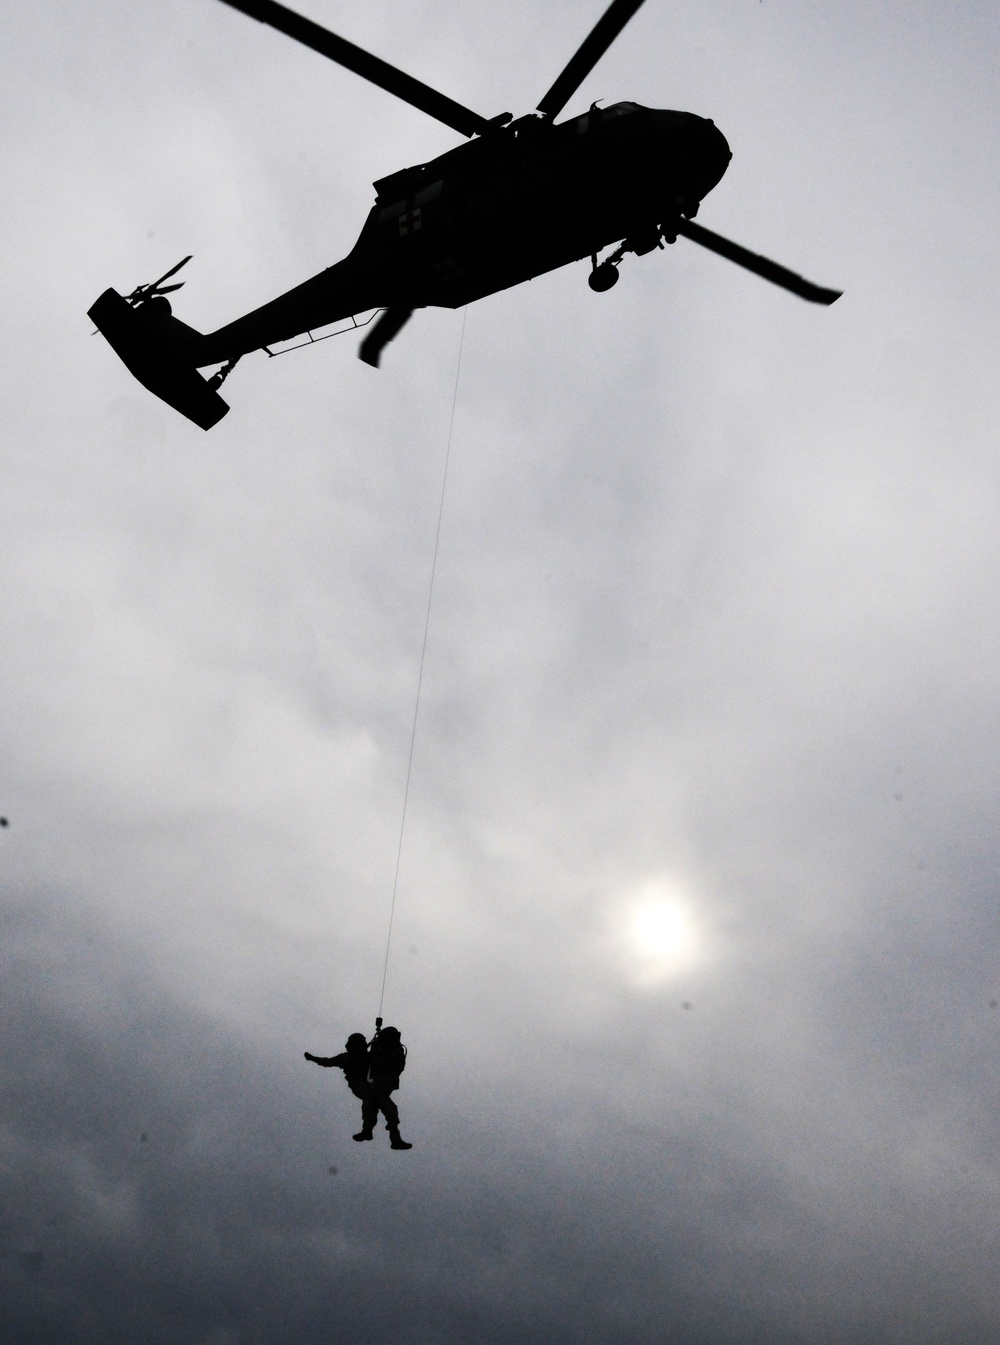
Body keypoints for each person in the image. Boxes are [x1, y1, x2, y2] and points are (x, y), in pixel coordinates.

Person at [304, 1027, 413, 1150]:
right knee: (376, 1102)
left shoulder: (369, 1056)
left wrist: (380, 1047)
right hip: (360, 1086)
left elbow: (386, 1062)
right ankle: (379, 1134)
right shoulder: (348, 1057)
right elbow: (328, 1061)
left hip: (374, 1087)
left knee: (378, 1103)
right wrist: (313, 1058)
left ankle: (380, 1134)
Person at [362, 1025, 412, 1150]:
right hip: (377, 1085)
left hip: (383, 1085)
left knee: (388, 1109)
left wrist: (376, 1051)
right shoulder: (386, 1050)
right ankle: (368, 1131)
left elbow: (381, 1062)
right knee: (370, 1106)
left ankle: (394, 1138)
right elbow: (370, 1061)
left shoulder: (397, 1051)